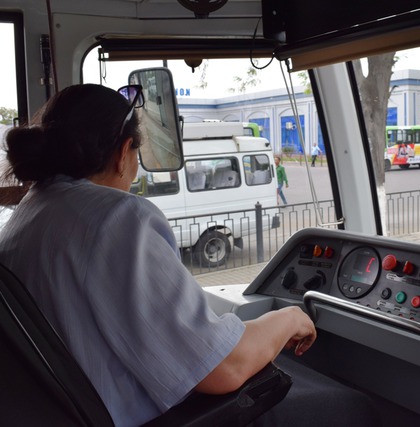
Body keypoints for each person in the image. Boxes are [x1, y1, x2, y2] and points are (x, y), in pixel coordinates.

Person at [0, 84, 317, 426]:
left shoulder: (28, 213)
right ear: (124, 153)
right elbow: (225, 367)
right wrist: (289, 319)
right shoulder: (118, 218)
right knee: (342, 404)